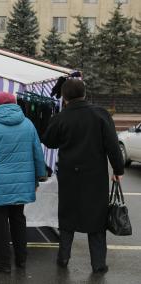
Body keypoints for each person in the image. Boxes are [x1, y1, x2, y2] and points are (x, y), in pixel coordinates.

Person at [42, 79, 124, 274]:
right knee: (96, 219)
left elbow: (49, 141)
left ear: (65, 97)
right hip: (95, 177)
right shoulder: (101, 114)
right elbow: (112, 146)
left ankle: (63, 258)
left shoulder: (61, 118)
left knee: (68, 216)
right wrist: (118, 170)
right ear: (84, 93)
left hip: (69, 176)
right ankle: (98, 264)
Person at [0, 91, 46, 273]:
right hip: (22, 182)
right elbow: (38, 153)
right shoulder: (28, 124)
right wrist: (38, 178)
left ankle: (4, 263)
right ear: (14, 104)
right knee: (18, 219)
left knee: (0, 223)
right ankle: (21, 260)